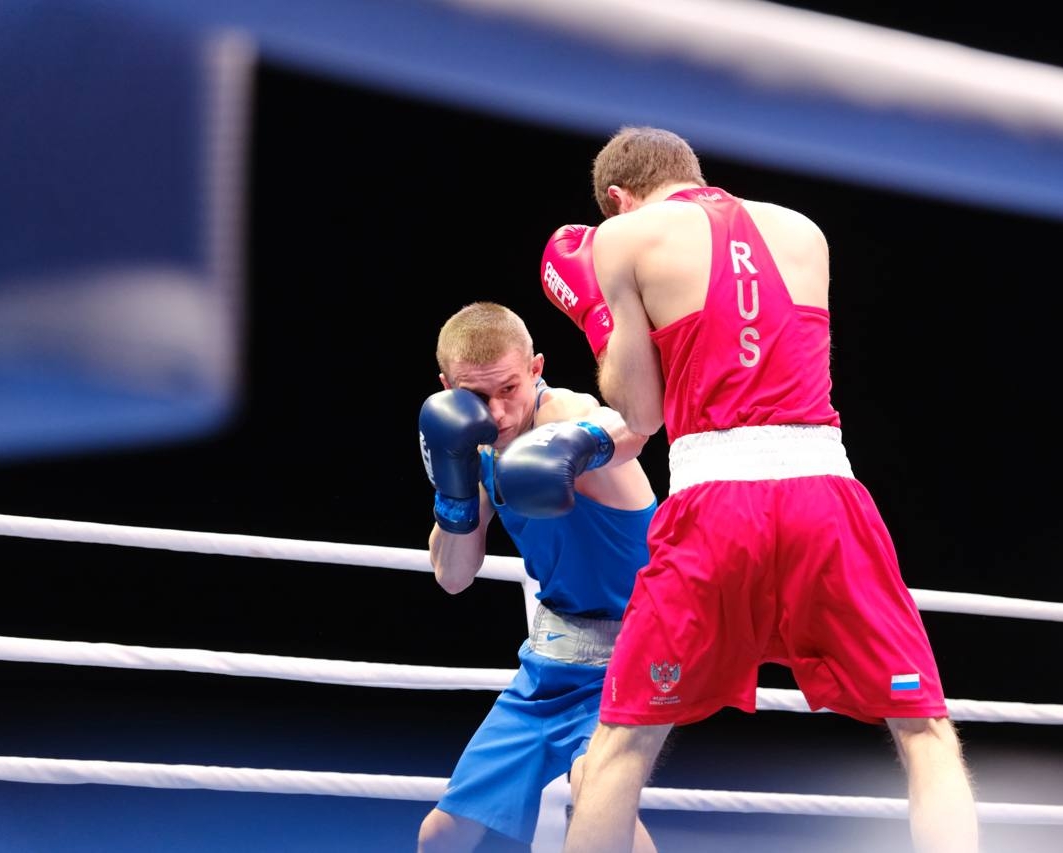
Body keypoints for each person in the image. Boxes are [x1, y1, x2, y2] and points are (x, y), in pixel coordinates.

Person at [516, 127, 980, 853]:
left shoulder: (623, 238)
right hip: (824, 495)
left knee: (620, 745)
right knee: (925, 730)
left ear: (618, 198)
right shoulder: (804, 231)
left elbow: (642, 412)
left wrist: (600, 319)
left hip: (715, 503)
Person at [415, 301, 660, 852]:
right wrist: (454, 493)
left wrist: (573, 448)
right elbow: (453, 577)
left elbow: (630, 426)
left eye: (509, 388)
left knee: (596, 803)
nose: (498, 412)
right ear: (447, 389)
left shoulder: (561, 415)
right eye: (476, 396)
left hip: (632, 654)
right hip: (551, 664)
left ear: (535, 369)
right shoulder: (475, 451)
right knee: (442, 835)